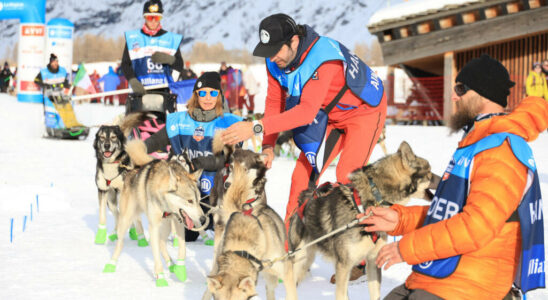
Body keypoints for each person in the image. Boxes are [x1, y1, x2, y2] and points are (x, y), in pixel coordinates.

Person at [361, 54, 547, 299]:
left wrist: (406, 249)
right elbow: (453, 213)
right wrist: (400, 220)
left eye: (461, 88)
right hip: (442, 275)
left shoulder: (501, 150)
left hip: (468, 286)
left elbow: (476, 226)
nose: (453, 96)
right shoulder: (480, 143)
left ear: (484, 92)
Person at [222, 13, 386, 282]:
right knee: (301, 179)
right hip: (330, 115)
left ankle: (368, 251)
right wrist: (268, 146)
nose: (273, 58)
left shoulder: (323, 59)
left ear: (294, 41)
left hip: (364, 113)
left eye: (276, 51)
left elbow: (303, 113)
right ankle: (289, 251)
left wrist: (254, 127)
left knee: (347, 177)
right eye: (268, 52)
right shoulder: (276, 58)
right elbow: (275, 101)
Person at [143, 72, 242, 243]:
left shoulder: (228, 123)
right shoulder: (180, 121)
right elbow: (154, 141)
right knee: (189, 234)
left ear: (219, 96)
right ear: (196, 95)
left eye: (213, 93)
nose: (208, 98)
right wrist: (136, 149)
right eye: (203, 93)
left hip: (216, 194)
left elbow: (227, 160)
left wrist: (199, 162)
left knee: (221, 228)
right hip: (188, 194)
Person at [121, 0, 184, 96]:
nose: (153, 21)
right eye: (150, 17)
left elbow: (179, 64)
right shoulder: (133, 38)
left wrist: (171, 60)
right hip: (139, 92)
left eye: (157, 17)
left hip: (163, 94)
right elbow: (125, 64)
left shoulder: (171, 39)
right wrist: (132, 80)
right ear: (145, 18)